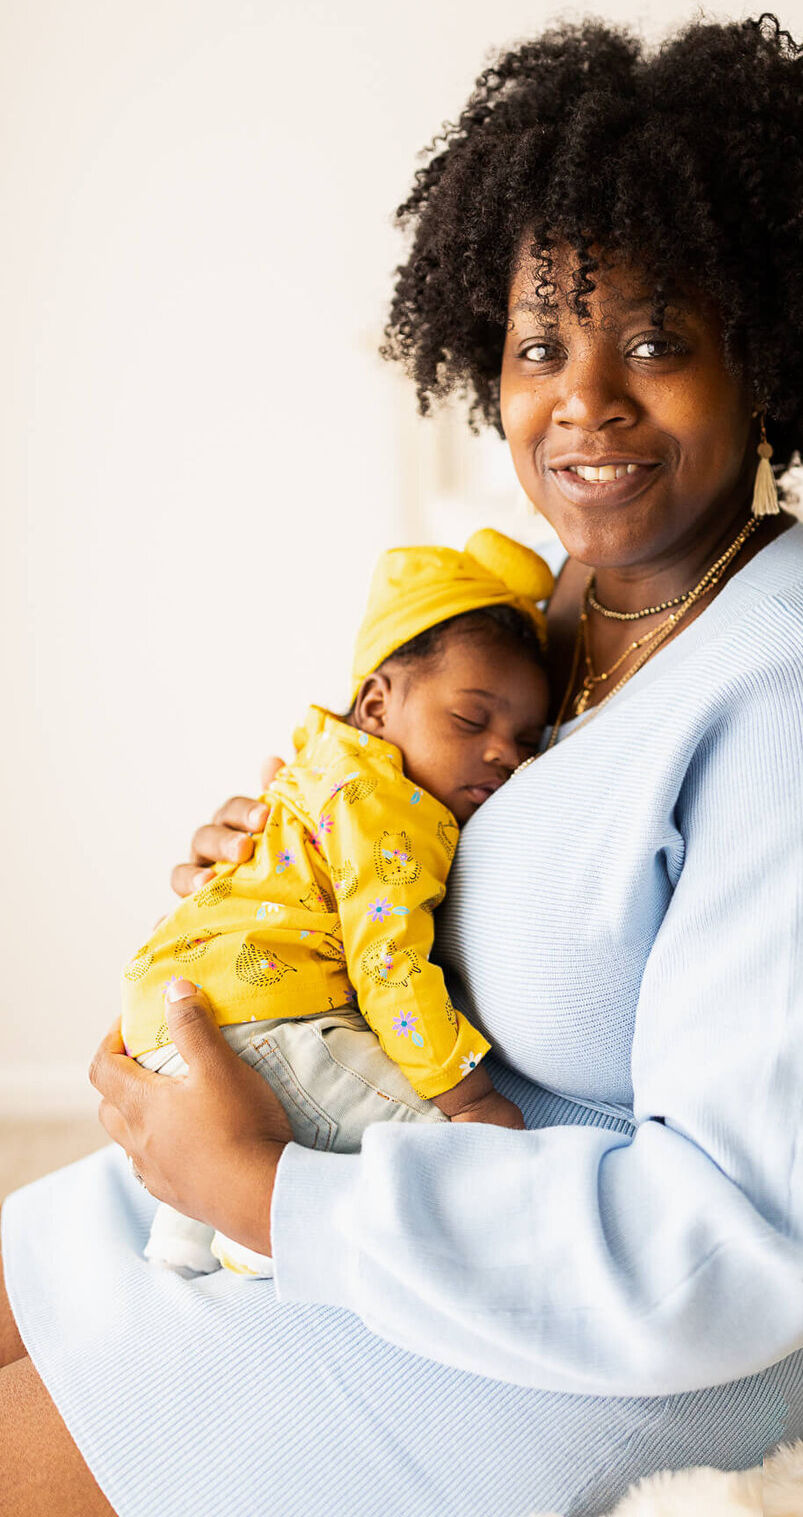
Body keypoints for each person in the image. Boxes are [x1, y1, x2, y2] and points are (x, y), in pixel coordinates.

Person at [0, 13, 803, 1517]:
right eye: (542, 343)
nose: (581, 401)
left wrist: (266, 1196)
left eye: (656, 339)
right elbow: (422, 824)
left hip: (588, 1325)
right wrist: (295, 860)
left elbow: (744, 1245)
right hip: (383, 1168)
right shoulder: (551, 616)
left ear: (769, 356)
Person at [122, 529, 550, 1277]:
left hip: (172, 1006)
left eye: (524, 739)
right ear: (378, 704)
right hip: (264, 1020)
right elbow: (388, 964)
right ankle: (251, 1234)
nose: (502, 754)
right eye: (471, 719)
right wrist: (467, 1095)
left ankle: (182, 1237)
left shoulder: (322, 764)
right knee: (451, 1158)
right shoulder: (391, 808)